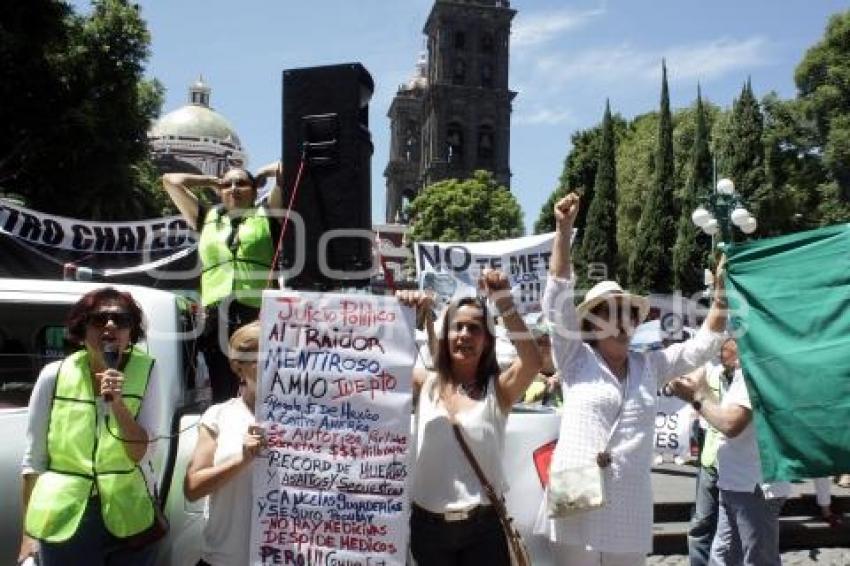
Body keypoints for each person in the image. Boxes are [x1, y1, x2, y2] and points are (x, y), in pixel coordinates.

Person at [541, 192, 728, 566]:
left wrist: (721, 293)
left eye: (628, 315)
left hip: (629, 499)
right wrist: (563, 230)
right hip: (577, 489)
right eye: (610, 315)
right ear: (591, 325)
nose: (622, 323)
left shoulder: (651, 364)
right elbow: (557, 299)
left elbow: (704, 346)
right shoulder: (575, 358)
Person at [397, 269, 542, 566]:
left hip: (483, 530)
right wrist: (403, 312)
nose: (464, 335)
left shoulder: (498, 391)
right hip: (428, 529)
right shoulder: (425, 384)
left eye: (474, 329)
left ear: (487, 341)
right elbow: (383, 361)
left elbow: (533, 361)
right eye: (458, 327)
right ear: (444, 334)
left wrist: (504, 301)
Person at [18, 287, 162, 566]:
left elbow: (141, 454)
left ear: (130, 333)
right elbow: (33, 460)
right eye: (99, 319)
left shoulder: (148, 371)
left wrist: (118, 405)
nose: (110, 325)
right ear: (81, 330)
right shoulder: (54, 375)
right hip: (64, 517)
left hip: (130, 514)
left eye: (121, 320)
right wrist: (27, 535)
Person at [162, 162, 283, 402]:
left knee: (260, 382)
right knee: (222, 386)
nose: (234, 188)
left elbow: (284, 168)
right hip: (217, 314)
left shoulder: (268, 213)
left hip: (258, 311)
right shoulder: (205, 217)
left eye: (242, 183)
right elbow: (170, 181)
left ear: (255, 190)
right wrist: (210, 181)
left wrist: (260, 173)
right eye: (227, 184)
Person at [670, 353, 791, 566]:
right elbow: (722, 414)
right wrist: (699, 388)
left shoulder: (754, 371)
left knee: (756, 558)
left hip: (753, 485)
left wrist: (696, 396)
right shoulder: (746, 371)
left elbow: (730, 424)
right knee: (724, 556)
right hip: (737, 482)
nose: (719, 348)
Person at [184, 321, 264, 566]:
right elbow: (193, 488)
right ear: (238, 367)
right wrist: (242, 459)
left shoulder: (310, 422)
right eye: (260, 359)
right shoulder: (219, 416)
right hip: (224, 560)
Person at [687, 337, 738, 566]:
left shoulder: (747, 375)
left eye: (723, 349)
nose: (719, 353)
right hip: (711, 459)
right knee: (701, 523)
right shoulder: (711, 367)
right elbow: (692, 382)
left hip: (737, 463)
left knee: (733, 527)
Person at [523, 321, 563, 407]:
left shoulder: (567, 374)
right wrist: (546, 384)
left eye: (547, 342)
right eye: (538, 342)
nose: (542, 347)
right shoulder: (524, 375)